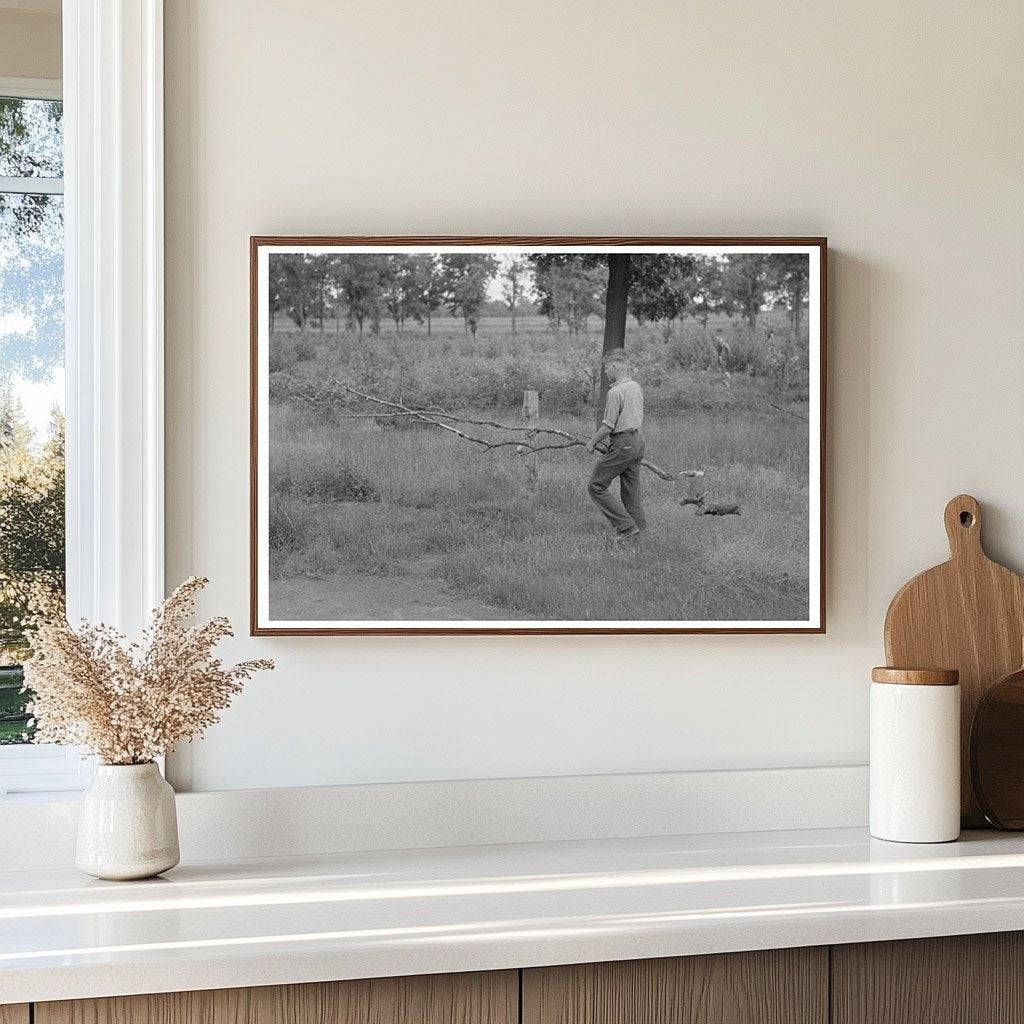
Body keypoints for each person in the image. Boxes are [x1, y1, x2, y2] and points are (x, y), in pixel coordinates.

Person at [585, 349, 645, 543]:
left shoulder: (615, 392)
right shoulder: (636, 387)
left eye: (606, 368)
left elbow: (608, 425)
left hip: (623, 442)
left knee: (596, 486)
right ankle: (639, 534)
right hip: (637, 442)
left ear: (615, 367)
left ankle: (626, 528)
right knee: (631, 493)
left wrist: (592, 442)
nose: (605, 372)